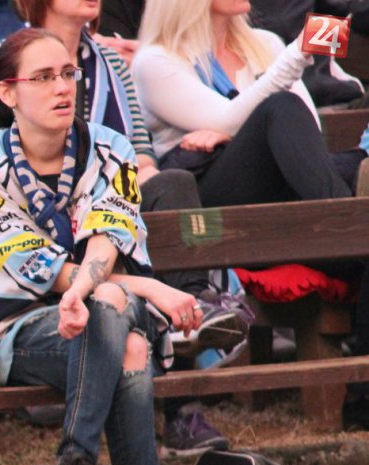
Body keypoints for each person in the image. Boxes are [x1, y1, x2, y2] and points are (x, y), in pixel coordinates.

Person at [0, 27, 196, 465]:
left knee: (112, 309)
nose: (63, 87)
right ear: (7, 93)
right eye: (43, 77)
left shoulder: (111, 149)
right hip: (10, 330)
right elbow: (28, 267)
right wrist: (146, 288)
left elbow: (107, 241)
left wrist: (85, 292)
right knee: (129, 342)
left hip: (98, 307)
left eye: (67, 73)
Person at [0, 0, 247, 455]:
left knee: (170, 185)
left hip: (108, 206)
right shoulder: (6, 58)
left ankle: (189, 331)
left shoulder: (110, 62)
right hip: (41, 211)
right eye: (47, 78)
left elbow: (140, 148)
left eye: (65, 76)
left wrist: (122, 184)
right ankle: (159, 341)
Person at [134, 0, 369, 429]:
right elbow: (236, 116)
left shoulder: (265, 42)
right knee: (278, 107)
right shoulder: (156, 61)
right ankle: (351, 230)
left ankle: (362, 398)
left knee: (293, 120)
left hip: (287, 202)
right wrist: (297, 56)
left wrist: (233, 130)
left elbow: (306, 134)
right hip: (213, 215)